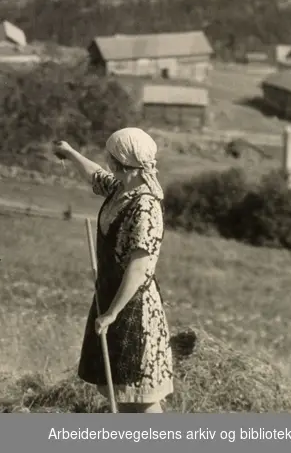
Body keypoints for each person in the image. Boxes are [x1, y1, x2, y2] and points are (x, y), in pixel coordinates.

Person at [54, 128, 174, 413]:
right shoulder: (123, 188)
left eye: (109, 157)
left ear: (120, 162)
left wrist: (112, 312)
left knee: (139, 396)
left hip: (133, 309)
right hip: (111, 297)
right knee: (119, 389)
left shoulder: (145, 207)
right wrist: (70, 153)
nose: (106, 162)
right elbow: (96, 176)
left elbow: (139, 267)